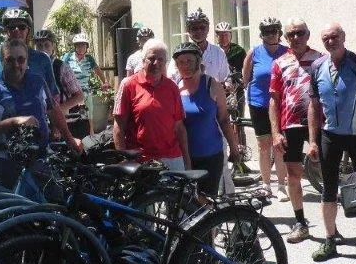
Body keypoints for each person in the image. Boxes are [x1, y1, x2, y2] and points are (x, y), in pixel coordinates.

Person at [306, 23, 356, 264]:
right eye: (325, 38)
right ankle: (329, 241)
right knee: (328, 189)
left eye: (334, 36)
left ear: (344, 37)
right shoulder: (317, 66)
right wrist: (313, 141)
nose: (330, 41)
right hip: (330, 136)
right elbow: (314, 107)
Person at [0, 39, 80, 193]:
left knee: (55, 208)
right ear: (2, 61)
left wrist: (70, 139)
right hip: (6, 162)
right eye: (10, 60)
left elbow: (53, 110)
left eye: (21, 59)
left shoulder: (38, 82)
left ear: (27, 61)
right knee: (12, 213)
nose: (16, 64)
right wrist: (13, 122)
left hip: (41, 157)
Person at [269, 18, 323, 243]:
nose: (296, 38)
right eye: (291, 34)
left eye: (300, 33)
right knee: (293, 175)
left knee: (326, 175)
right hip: (289, 125)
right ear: (285, 37)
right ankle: (300, 221)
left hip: (319, 124)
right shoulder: (280, 62)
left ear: (308, 34)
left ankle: (331, 227)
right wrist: (275, 133)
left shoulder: (321, 59)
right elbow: (273, 100)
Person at [173, 41, 240, 197]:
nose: (185, 65)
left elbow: (224, 119)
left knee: (207, 202)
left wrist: (234, 149)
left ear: (198, 61)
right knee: (186, 205)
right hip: (183, 156)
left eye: (189, 60)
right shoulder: (174, 88)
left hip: (211, 155)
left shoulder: (212, 85)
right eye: (181, 62)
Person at [113, 39, 190, 170]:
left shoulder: (172, 87)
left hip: (172, 158)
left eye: (161, 60)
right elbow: (118, 127)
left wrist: (186, 160)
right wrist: (124, 160)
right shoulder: (128, 85)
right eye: (151, 58)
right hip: (141, 160)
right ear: (143, 60)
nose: (156, 63)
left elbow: (179, 127)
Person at [242, 17, 289, 197]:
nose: (271, 34)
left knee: (279, 144)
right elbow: (246, 78)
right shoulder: (254, 53)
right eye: (267, 31)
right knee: (264, 145)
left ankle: (282, 186)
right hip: (259, 103)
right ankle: (266, 184)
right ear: (262, 34)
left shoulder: (287, 52)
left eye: (274, 31)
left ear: (279, 33)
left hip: (280, 104)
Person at [0, 8, 59, 99]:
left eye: (22, 27)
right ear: (6, 31)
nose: (16, 30)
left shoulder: (42, 59)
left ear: (28, 31)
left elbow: (53, 96)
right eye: (11, 27)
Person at [33, 28, 86, 138]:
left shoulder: (61, 67)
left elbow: (79, 96)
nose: (43, 49)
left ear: (53, 47)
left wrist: (58, 110)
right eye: (39, 46)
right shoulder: (30, 67)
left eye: (46, 45)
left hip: (59, 123)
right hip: (36, 121)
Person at [167, 8, 229, 84]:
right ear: (188, 30)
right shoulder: (179, 53)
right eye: (194, 28)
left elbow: (224, 79)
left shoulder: (218, 52)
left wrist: (227, 85)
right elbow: (171, 79)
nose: (199, 31)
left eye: (202, 28)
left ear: (208, 29)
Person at [64, 32, 109, 134]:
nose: (81, 48)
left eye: (83, 45)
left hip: (85, 91)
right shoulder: (68, 57)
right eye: (78, 45)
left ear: (86, 47)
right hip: (70, 91)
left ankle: (91, 134)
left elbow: (97, 70)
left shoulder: (89, 59)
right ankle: (66, 135)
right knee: (67, 113)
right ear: (75, 47)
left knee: (89, 114)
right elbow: (60, 70)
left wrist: (105, 81)